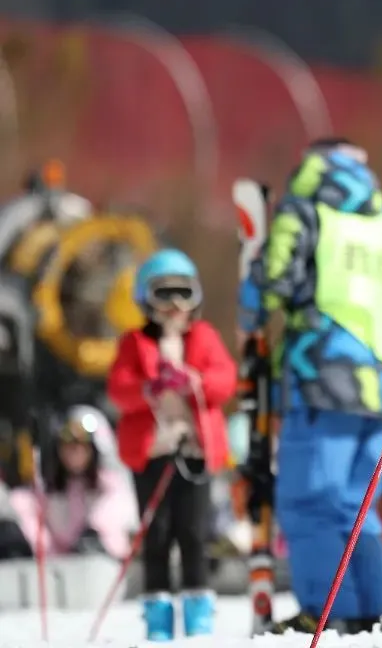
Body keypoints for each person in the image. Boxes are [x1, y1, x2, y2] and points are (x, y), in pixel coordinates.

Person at [237, 138, 382, 635]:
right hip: (381, 384)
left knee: (310, 500)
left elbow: (275, 279)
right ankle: (363, 610)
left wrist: (249, 295)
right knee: (358, 506)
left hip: (321, 375)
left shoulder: (307, 211)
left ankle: (324, 609)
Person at [107, 249, 236, 641]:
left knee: (194, 532)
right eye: (164, 295)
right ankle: (158, 616)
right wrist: (149, 388)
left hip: (194, 452)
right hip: (151, 453)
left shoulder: (204, 337)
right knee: (156, 533)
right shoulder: (134, 342)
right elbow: (118, 389)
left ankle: (198, 614)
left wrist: (196, 382)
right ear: (146, 299)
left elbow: (225, 379)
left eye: (184, 294)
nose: (175, 306)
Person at [8, 405, 137, 560]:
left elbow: (122, 512)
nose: (73, 452)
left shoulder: (111, 486)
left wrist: (96, 531)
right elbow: (24, 507)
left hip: (101, 566)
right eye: (66, 445)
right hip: (58, 568)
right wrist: (35, 543)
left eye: (81, 445)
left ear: (95, 450)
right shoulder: (49, 488)